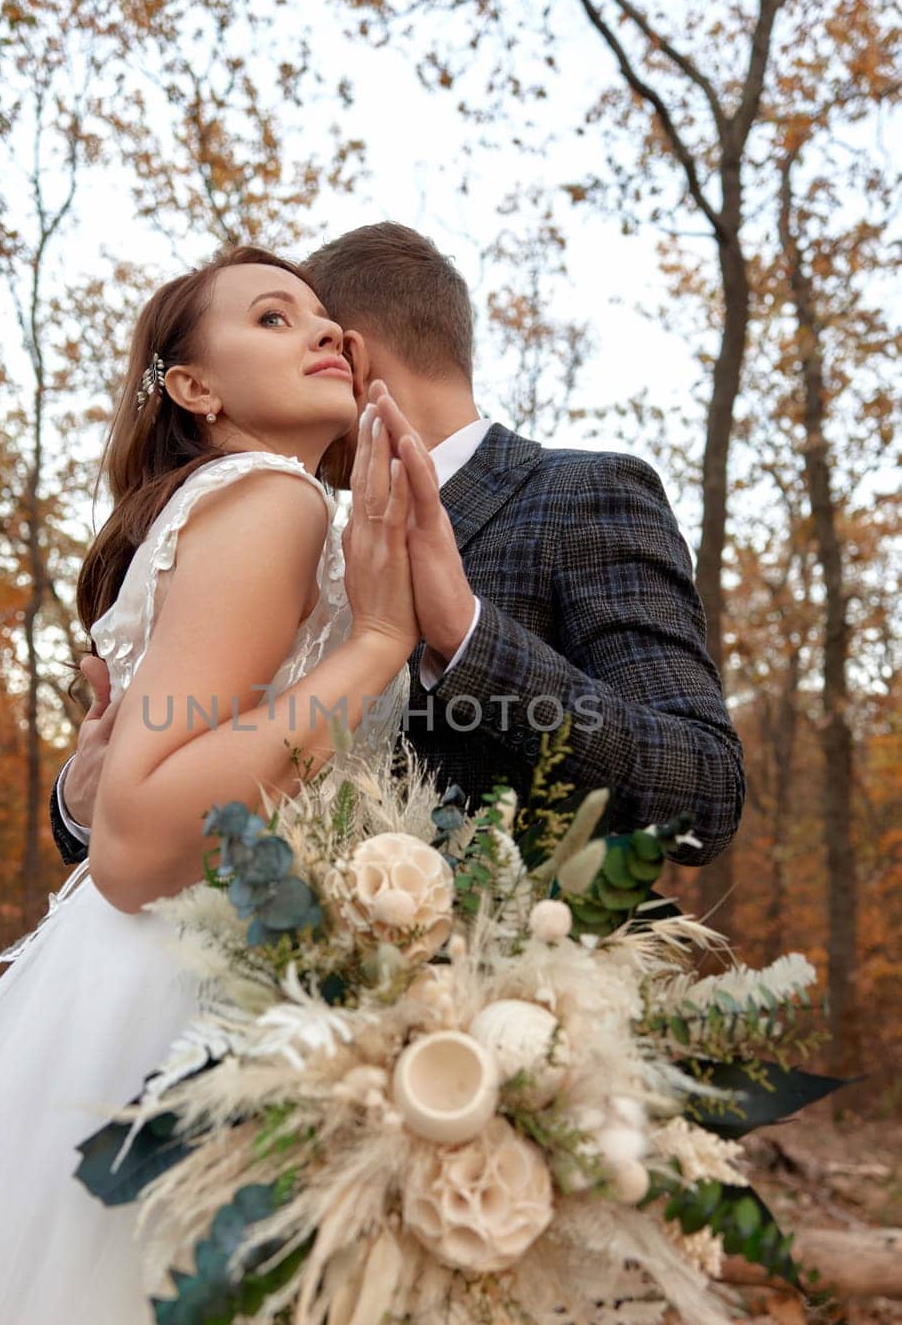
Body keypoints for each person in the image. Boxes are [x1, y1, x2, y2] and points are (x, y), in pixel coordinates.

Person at [0, 246, 423, 1325]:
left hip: (118, 994)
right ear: (195, 387)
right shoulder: (273, 499)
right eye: (274, 317)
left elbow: (128, 782)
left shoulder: (218, 505)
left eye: (326, 318)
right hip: (186, 989)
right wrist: (376, 638)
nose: (323, 333)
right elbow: (146, 834)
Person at [54, 222, 744, 873]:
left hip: (493, 982)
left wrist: (470, 639)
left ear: (347, 354)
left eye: (309, 324)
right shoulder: (284, 527)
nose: (305, 339)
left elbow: (705, 791)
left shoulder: (582, 495)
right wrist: (81, 806)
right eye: (274, 319)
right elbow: (187, 783)